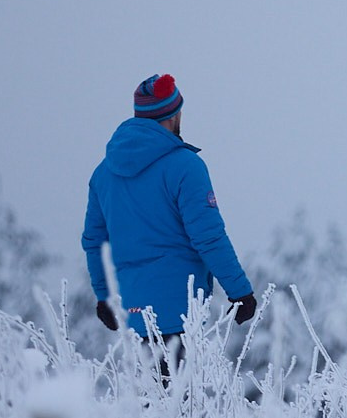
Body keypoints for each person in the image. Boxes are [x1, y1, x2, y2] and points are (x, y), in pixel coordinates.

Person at [83, 74, 256, 338]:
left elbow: (95, 242)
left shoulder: (103, 174)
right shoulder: (186, 166)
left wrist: (105, 297)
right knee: (181, 380)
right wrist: (240, 292)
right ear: (174, 115)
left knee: (147, 380)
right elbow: (208, 236)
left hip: (133, 315)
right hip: (181, 313)